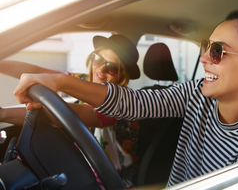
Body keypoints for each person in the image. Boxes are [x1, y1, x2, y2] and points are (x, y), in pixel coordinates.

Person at [12, 2, 238, 187]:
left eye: (218, 51)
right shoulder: (197, 95)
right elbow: (133, 103)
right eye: (205, 45)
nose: (204, 58)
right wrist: (58, 81)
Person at [0, 34, 141, 188]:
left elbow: (71, 114)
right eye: (98, 60)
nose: (100, 70)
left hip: (108, 181)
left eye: (112, 68)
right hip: (81, 166)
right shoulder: (83, 80)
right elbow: (39, 72)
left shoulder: (121, 102)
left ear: (122, 75)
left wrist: (3, 114)